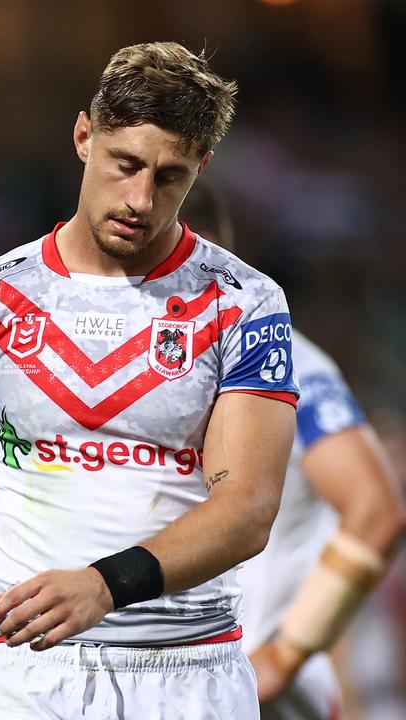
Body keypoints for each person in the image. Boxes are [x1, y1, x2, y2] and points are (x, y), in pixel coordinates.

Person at [0, 42, 299, 719]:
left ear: (202, 168)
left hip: (187, 674)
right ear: (84, 136)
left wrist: (105, 586)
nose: (140, 199)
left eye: (170, 176)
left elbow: (248, 509)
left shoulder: (244, 303)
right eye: (126, 164)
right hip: (28, 678)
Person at [182, 182, 406, 720]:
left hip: (257, 694)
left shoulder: (287, 363)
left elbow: (376, 511)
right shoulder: (131, 371)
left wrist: (286, 654)